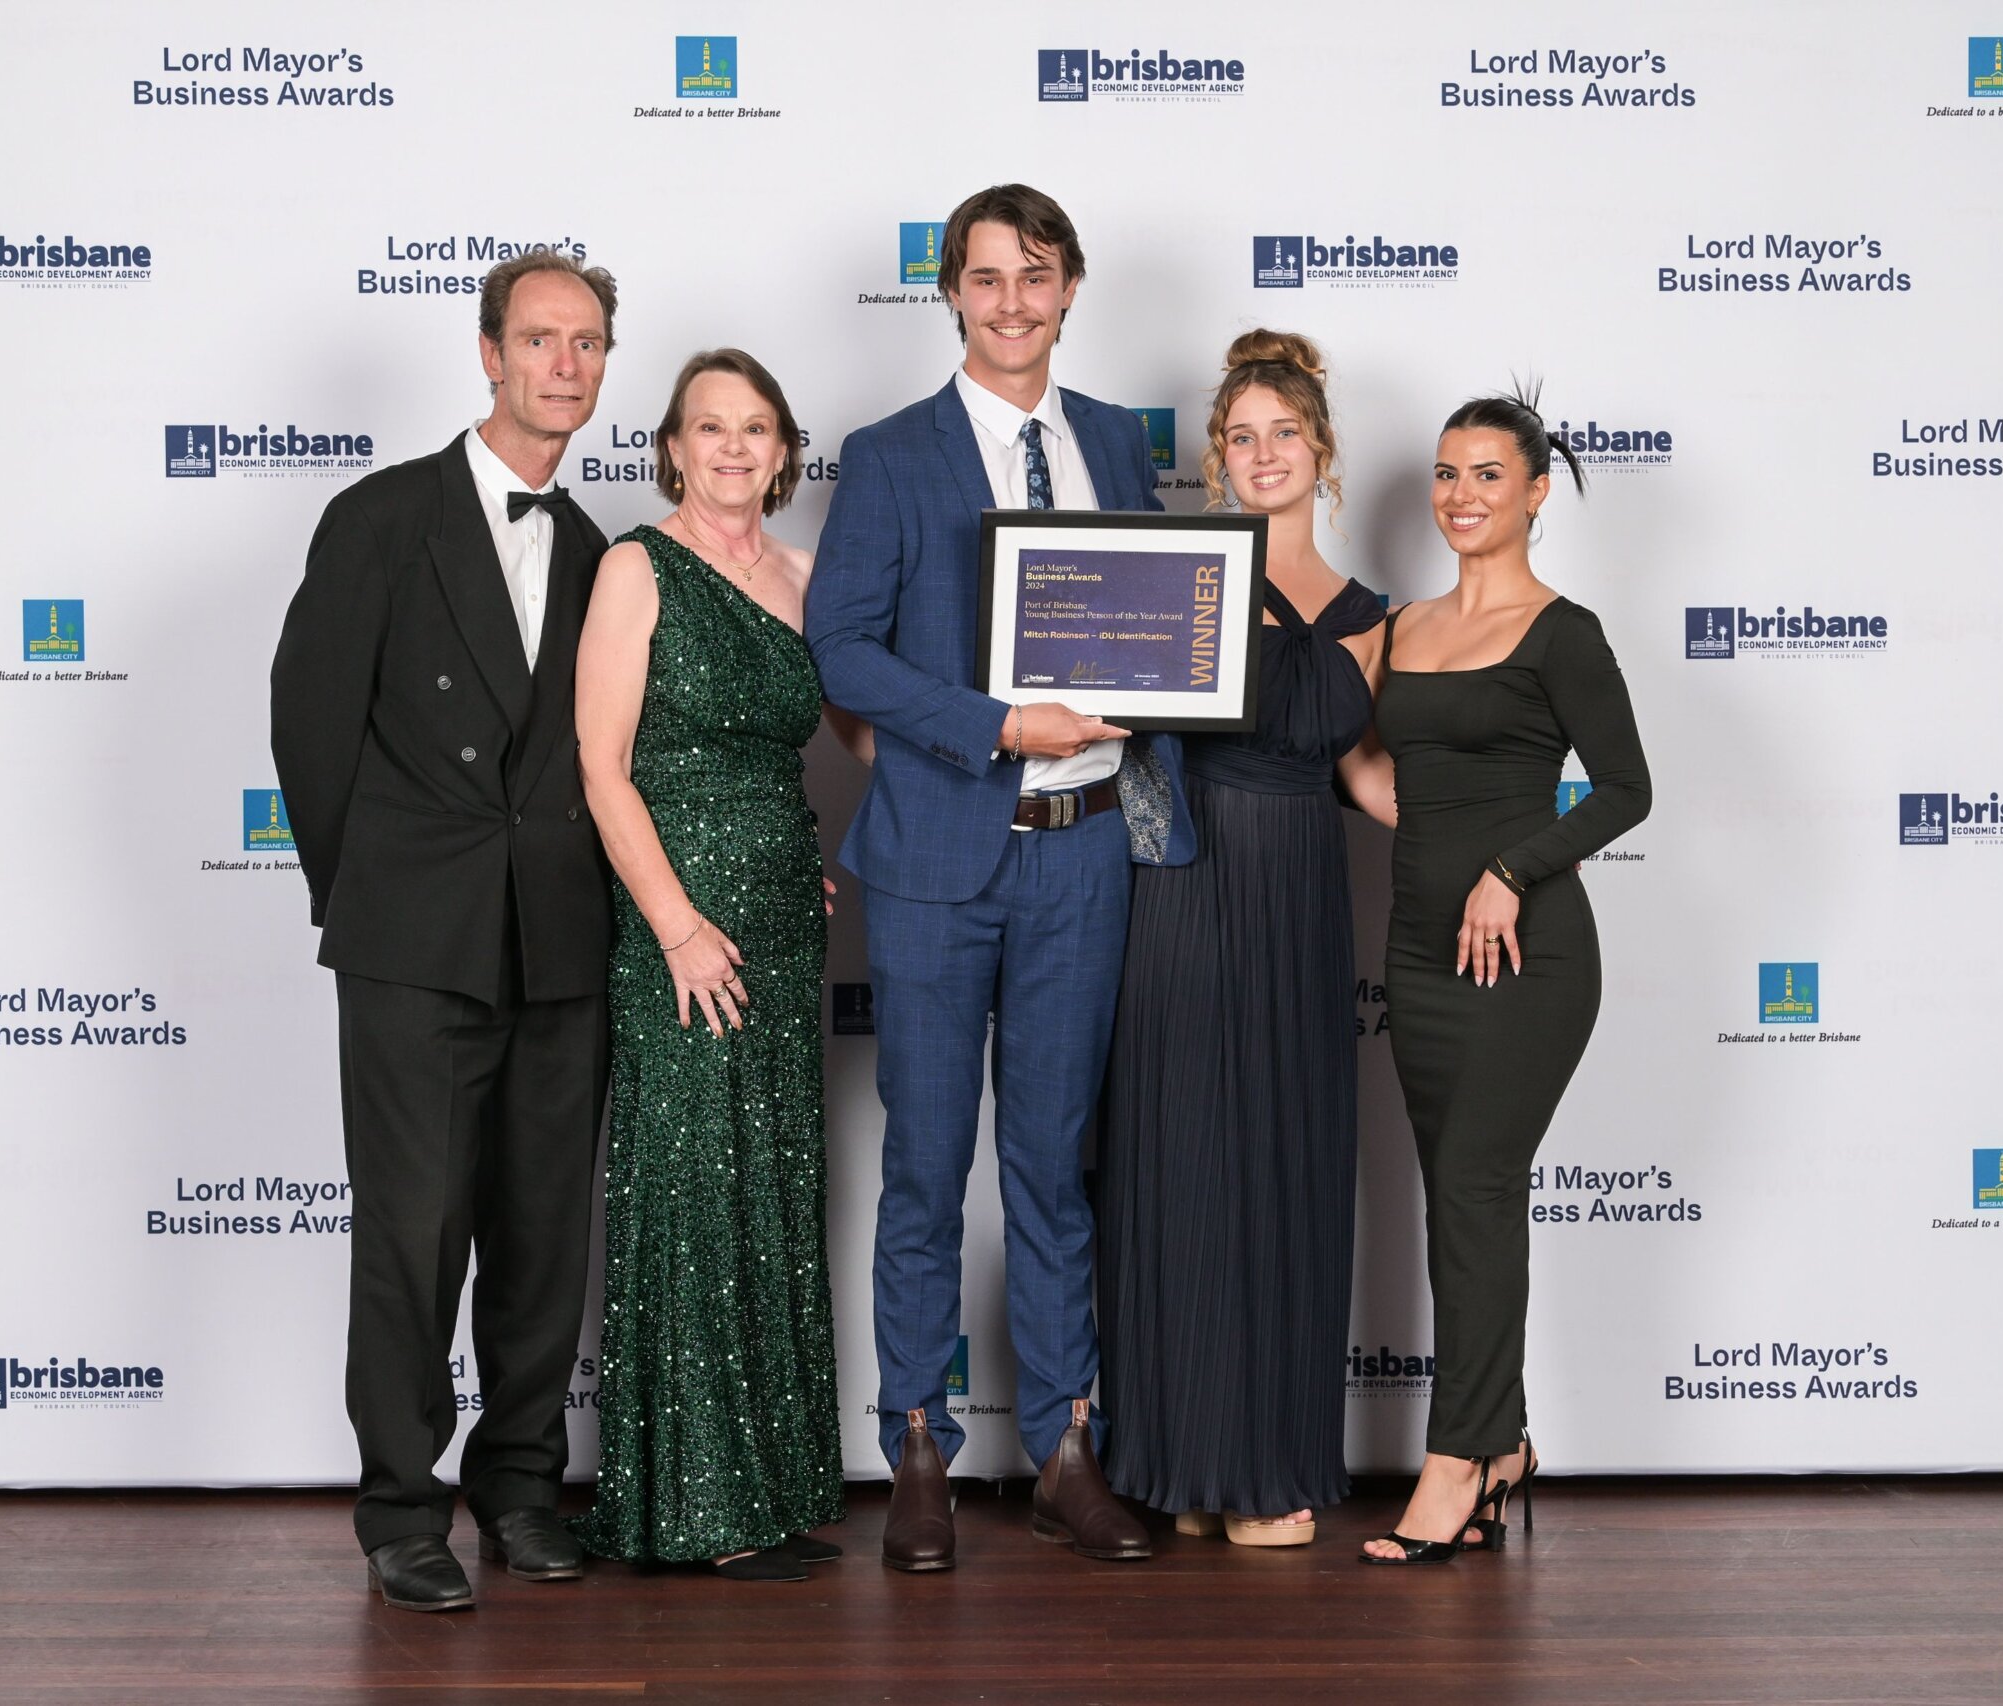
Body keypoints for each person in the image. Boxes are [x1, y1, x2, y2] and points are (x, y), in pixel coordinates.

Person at [805, 183, 1198, 1572]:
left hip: (1084, 852)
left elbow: (1155, 621)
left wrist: (1168, 688)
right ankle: (917, 1444)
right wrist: (994, 723)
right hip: (935, 855)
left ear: (1070, 287)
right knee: (924, 1165)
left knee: (1052, 1166)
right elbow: (842, 648)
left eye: (1035, 276)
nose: (1012, 301)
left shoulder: (1113, 441)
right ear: (952, 296)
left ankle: (1066, 1449)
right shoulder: (888, 453)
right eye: (986, 278)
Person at [269, 249, 621, 1612]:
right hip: (415, 940)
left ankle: (520, 1487)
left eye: (586, 343)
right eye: (539, 339)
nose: (563, 365)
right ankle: (401, 1508)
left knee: (541, 1236)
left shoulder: (598, 550)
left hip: (562, 940)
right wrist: (374, 900)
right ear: (489, 353)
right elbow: (311, 732)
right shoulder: (380, 517)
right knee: (413, 1236)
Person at [570, 350, 866, 1582]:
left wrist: (1005, 728)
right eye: (709, 427)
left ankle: (773, 1487)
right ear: (673, 448)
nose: (734, 447)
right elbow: (603, 766)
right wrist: (678, 925)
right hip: (679, 923)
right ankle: (696, 1504)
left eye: (755, 427)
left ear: (783, 449)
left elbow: (866, 733)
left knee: (773, 1188)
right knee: (693, 1186)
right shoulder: (636, 567)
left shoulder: (806, 577)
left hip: (785, 917)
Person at [1098, 331, 1394, 1548]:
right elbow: (1116, 729)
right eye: (1239, 437)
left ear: (1321, 450)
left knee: (1286, 1164)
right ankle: (1180, 1460)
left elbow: (1368, 780)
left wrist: (1510, 846)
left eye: (1284, 433)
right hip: (1186, 882)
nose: (1262, 453)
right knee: (1181, 1158)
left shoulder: (1371, 615)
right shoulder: (1185, 577)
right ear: (1216, 460)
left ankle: (1263, 1461)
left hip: (1302, 899)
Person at [1361, 390, 1650, 1565]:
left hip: (1524, 953)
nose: (1459, 494)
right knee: (1461, 1200)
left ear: (1534, 493)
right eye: (1445, 473)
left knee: (1473, 1188)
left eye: (1487, 474)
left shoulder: (1562, 632)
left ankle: (1456, 1459)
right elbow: (1370, 766)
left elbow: (1626, 788)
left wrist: (1508, 868)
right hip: (1418, 950)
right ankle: (1503, 1442)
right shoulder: (1400, 627)